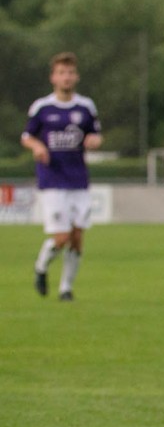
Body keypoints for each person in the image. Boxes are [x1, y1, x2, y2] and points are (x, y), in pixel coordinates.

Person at [22, 52, 102, 302]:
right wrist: (37, 146)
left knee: (77, 238)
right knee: (62, 237)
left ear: (76, 77)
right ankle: (41, 266)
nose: (66, 77)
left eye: (70, 73)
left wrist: (94, 140)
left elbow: (96, 134)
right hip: (53, 180)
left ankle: (65, 289)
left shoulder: (85, 106)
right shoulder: (42, 107)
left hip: (79, 179)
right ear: (53, 78)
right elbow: (26, 136)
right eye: (61, 73)